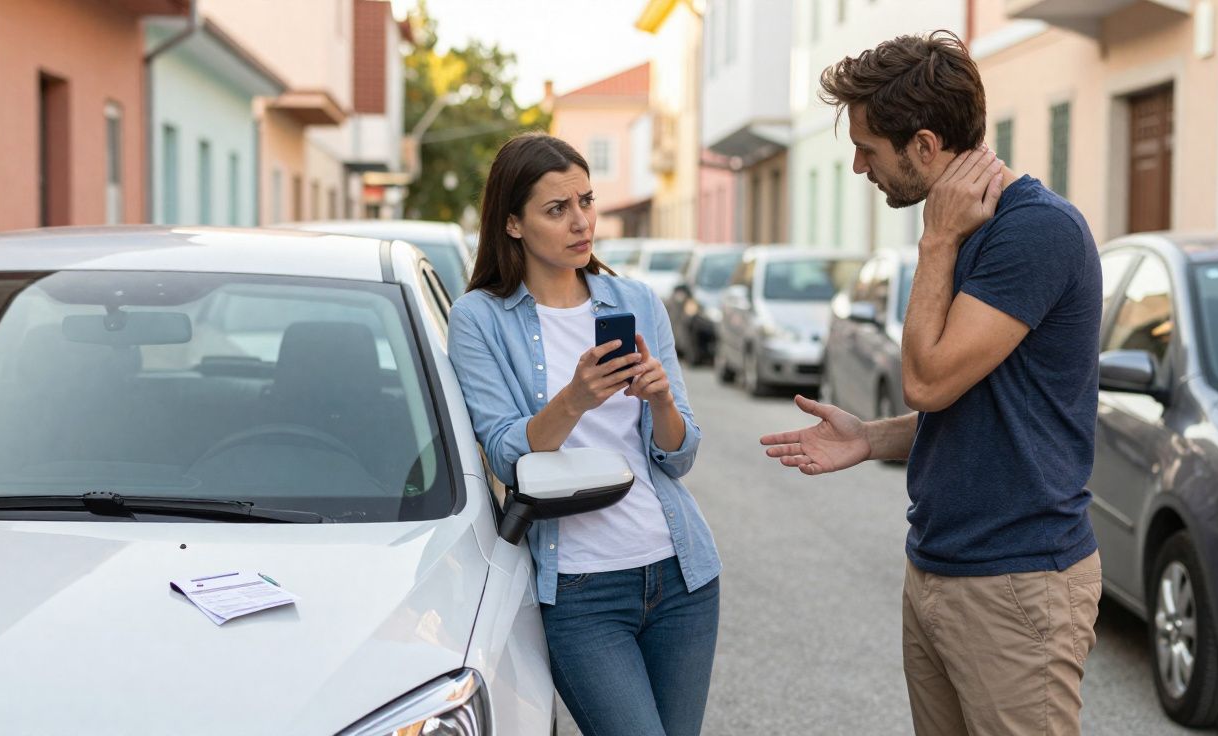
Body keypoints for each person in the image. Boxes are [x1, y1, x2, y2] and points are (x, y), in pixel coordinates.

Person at [760, 31, 1103, 735]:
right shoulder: (975, 226)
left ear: (923, 145)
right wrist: (869, 438)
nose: (858, 166)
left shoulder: (1034, 232)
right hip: (942, 569)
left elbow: (926, 379)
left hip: (1016, 584)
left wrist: (937, 241)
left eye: (868, 149)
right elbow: (982, 409)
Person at [447, 132, 721, 736]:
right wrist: (575, 398)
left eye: (587, 202)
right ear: (513, 224)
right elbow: (503, 454)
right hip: (578, 593)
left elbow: (679, 454)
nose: (581, 222)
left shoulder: (636, 301)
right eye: (557, 209)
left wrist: (661, 400)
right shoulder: (479, 320)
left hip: (680, 577)